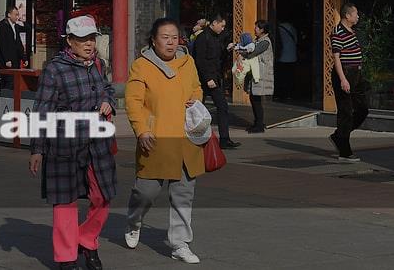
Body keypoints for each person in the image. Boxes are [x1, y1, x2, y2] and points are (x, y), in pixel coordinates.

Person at [29, 16, 116, 270]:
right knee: (65, 202)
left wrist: (108, 101)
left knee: (103, 196)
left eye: (92, 38)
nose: (89, 44)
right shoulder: (55, 69)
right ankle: (66, 257)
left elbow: (108, 89)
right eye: (82, 39)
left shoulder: (98, 64)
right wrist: (37, 149)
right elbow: (42, 110)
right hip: (63, 143)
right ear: (69, 41)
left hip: (97, 142)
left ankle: (87, 240)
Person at [124, 17, 205, 264]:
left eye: (174, 38)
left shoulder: (188, 61)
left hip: (186, 139)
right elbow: (133, 101)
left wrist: (195, 98)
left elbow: (196, 87)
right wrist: (141, 130)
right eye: (165, 37)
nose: (170, 42)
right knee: (146, 192)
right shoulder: (141, 66)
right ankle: (134, 220)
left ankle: (180, 243)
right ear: (153, 40)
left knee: (183, 195)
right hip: (155, 138)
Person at [191, 15, 240, 149]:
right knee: (198, 109)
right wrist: (208, 78)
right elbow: (200, 61)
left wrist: (227, 50)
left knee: (222, 107)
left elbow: (218, 57)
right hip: (205, 79)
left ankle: (224, 139)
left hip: (215, 77)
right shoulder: (203, 38)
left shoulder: (216, 37)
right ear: (214, 23)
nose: (223, 29)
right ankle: (195, 138)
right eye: (221, 25)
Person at [330, 3, 367, 162]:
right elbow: (336, 58)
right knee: (345, 112)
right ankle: (344, 151)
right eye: (355, 14)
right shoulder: (337, 32)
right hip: (344, 73)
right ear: (347, 15)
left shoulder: (353, 31)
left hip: (356, 74)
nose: (357, 17)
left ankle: (339, 135)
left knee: (362, 110)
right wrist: (343, 79)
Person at [237, 20, 274, 133]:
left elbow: (253, 53)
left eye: (257, 27)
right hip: (255, 74)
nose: (255, 29)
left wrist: (241, 52)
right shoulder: (257, 40)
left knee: (256, 100)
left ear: (262, 30)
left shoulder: (265, 42)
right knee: (254, 99)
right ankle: (257, 123)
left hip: (261, 75)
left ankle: (259, 125)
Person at [0, 7, 23, 88]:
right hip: (6, 60)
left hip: (15, 59)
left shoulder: (15, 26)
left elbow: (18, 43)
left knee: (13, 81)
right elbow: (2, 44)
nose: (17, 17)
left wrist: (23, 57)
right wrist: (7, 59)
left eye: (18, 15)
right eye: (15, 15)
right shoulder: (3, 25)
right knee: (7, 81)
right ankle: (4, 95)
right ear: (9, 15)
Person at [274, 16, 298, 101]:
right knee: (289, 77)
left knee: (281, 77)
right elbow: (296, 40)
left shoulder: (278, 28)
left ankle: (279, 94)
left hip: (281, 56)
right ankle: (289, 94)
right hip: (292, 56)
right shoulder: (292, 28)